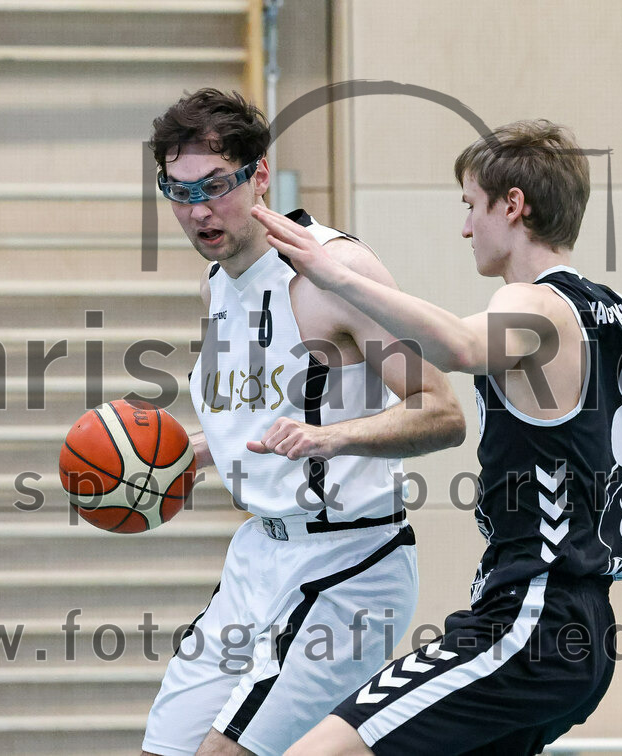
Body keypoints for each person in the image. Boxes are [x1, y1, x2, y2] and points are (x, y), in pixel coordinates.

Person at [252, 120, 622, 755]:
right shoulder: (611, 309)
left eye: (471, 206)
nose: (465, 228)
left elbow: (458, 346)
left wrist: (335, 275)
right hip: (579, 627)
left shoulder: (531, 306)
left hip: (529, 624)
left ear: (512, 205)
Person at [140, 89, 466, 756]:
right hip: (259, 559)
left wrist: (332, 438)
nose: (198, 209)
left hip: (350, 564)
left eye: (216, 186)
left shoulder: (331, 272)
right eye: (179, 191)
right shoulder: (216, 282)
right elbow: (274, 418)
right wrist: (188, 453)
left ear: (260, 175)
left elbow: (441, 410)